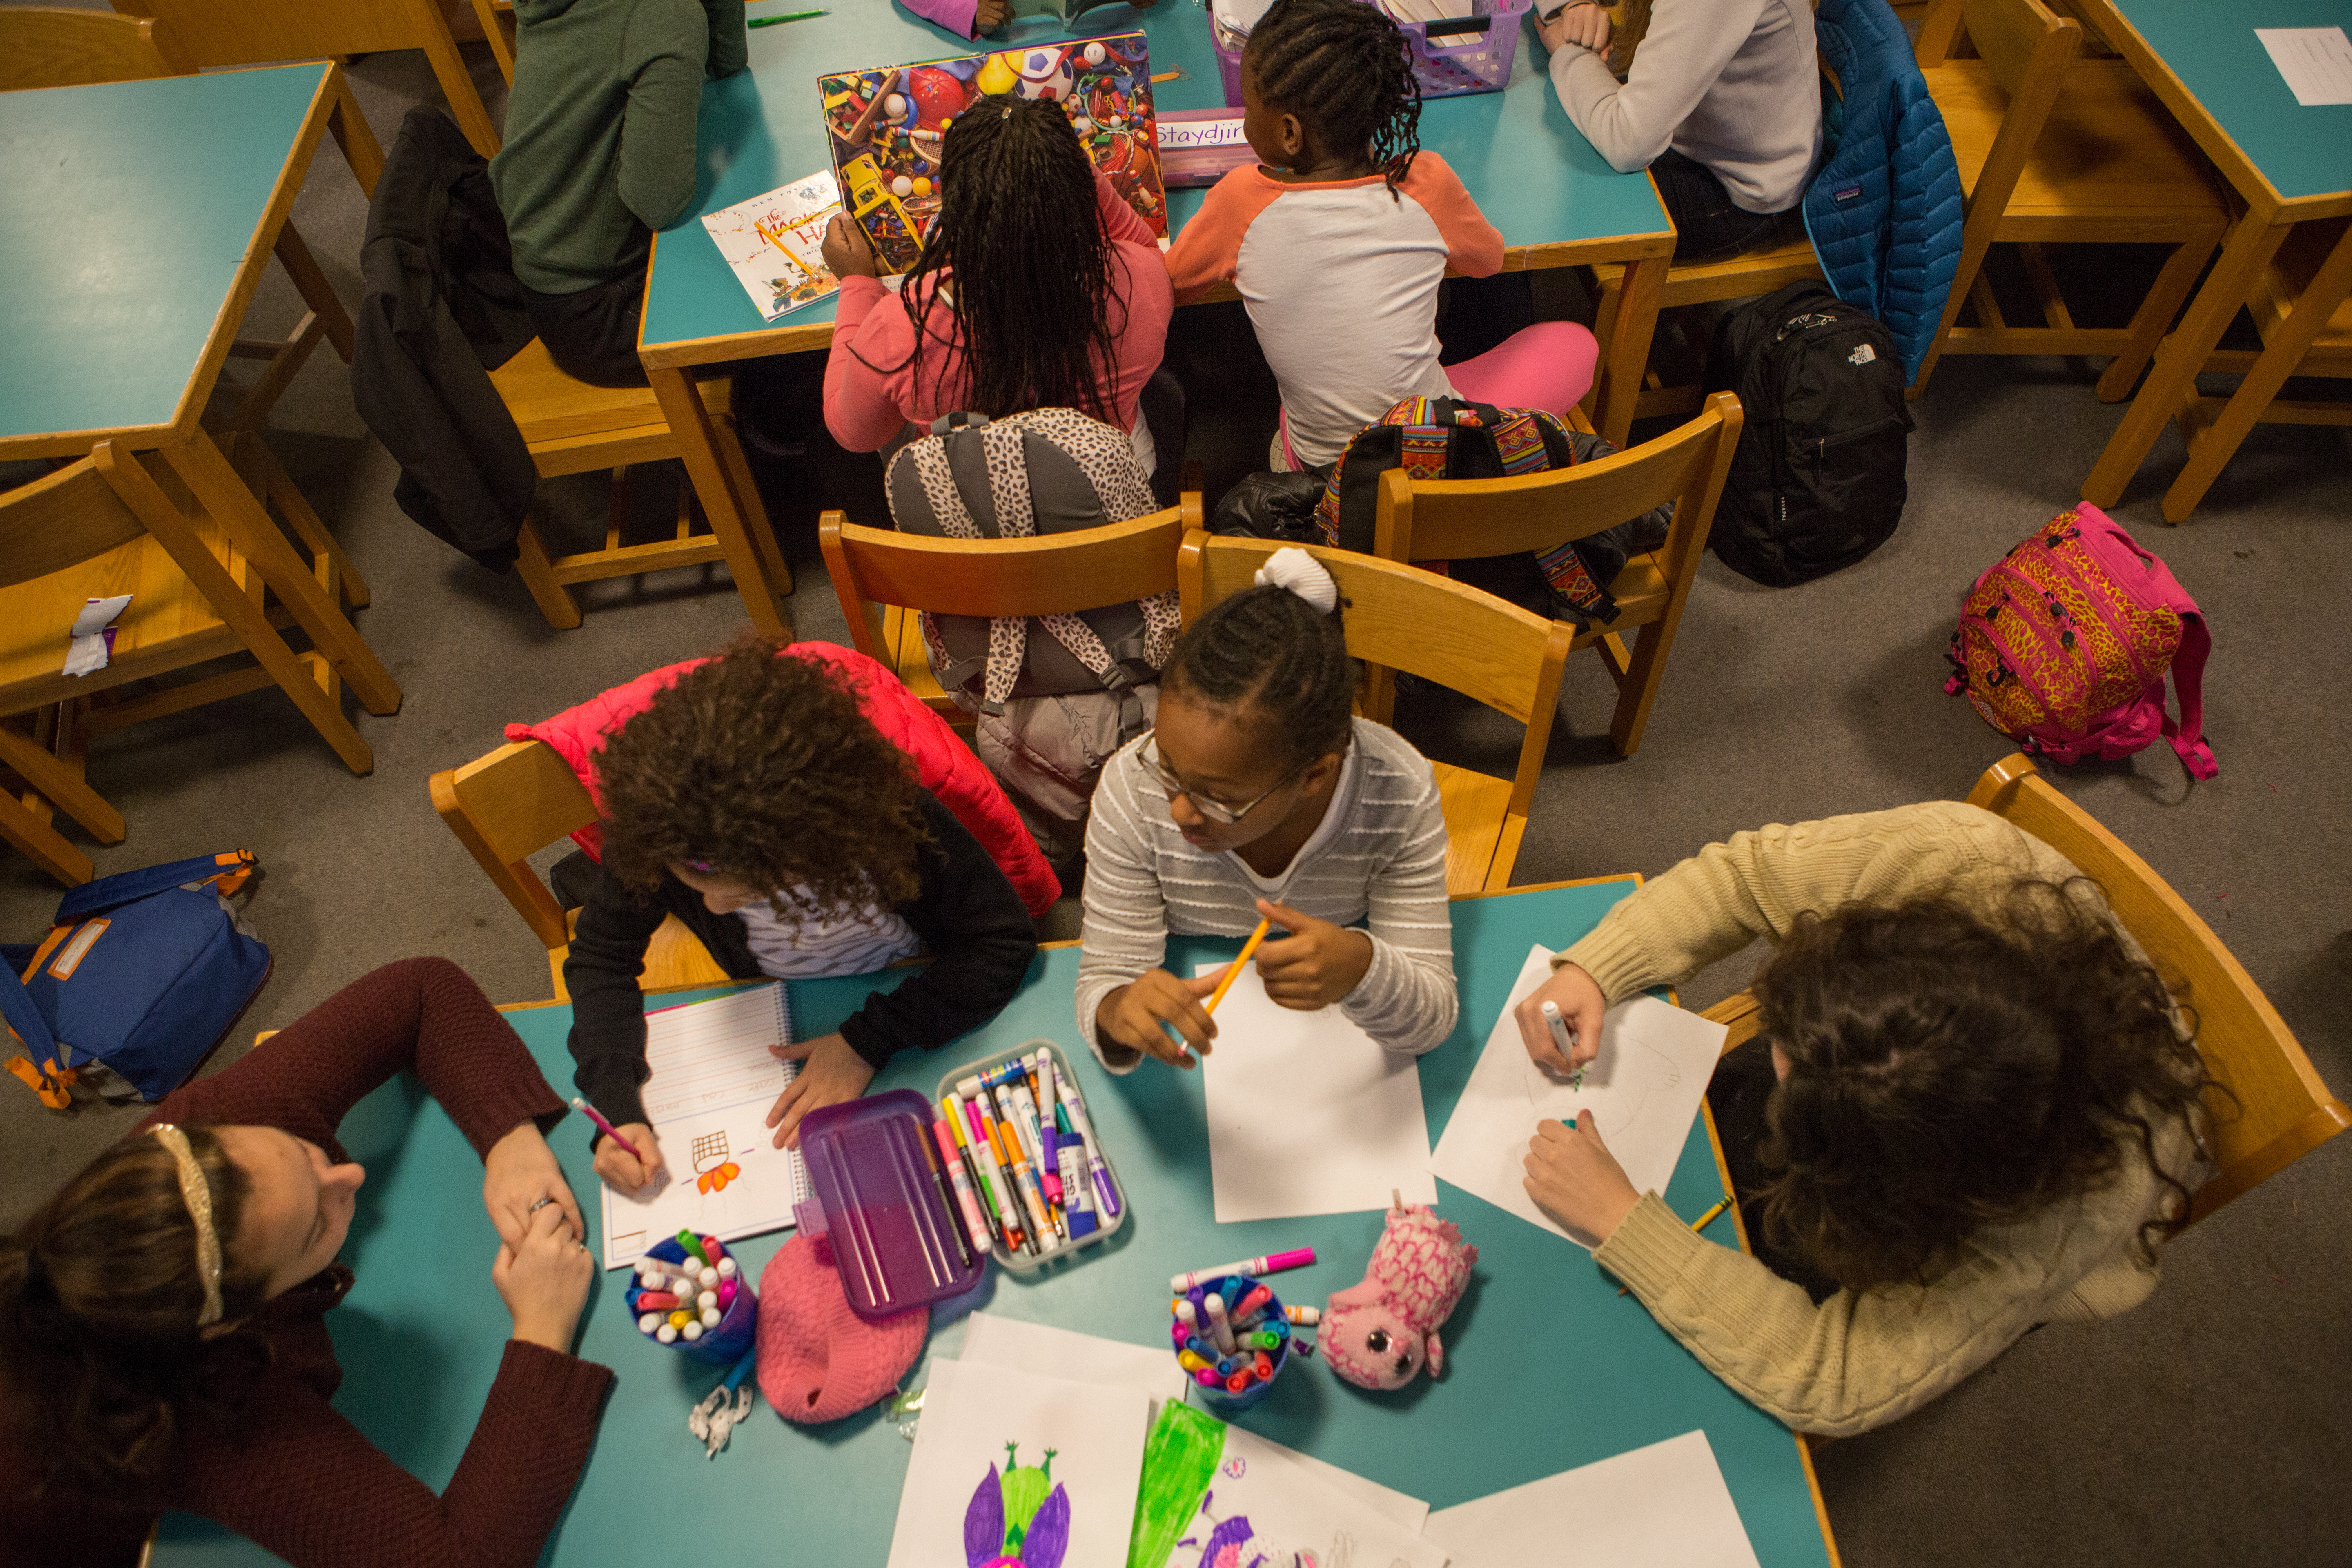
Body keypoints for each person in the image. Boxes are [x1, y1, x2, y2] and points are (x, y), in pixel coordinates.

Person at [1510, 802, 2211, 1435]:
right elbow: (1746, 877)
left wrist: (1627, 1226)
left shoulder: (2055, 1219)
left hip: (1999, 1213)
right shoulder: (1958, 857)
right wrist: (1597, 969)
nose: (1774, 1072)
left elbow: (1837, 1382)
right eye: (1784, 1040)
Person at [0, 959, 605, 1568]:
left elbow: (423, 989)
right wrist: (542, 1332)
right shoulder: (202, 1410)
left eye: (302, 1151)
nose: (351, 1176)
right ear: (229, 1324)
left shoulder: (197, 1151)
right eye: (317, 1223)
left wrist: (509, 1138)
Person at [566, 640, 1039, 1192]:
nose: (713, 909)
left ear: (815, 848)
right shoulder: (668, 834)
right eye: (700, 889)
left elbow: (1002, 943)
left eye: (745, 894)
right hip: (775, 1005)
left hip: (915, 980)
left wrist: (870, 1039)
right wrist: (616, 1105)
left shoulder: (898, 823)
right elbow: (601, 958)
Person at [1163, 0, 1599, 472]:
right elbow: (1489, 261)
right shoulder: (1426, 181)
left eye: (1249, 107)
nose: (1245, 119)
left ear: (1291, 134)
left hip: (1321, 467)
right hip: (1436, 449)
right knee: (1577, 343)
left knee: (1303, 400)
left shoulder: (1239, 201)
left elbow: (1174, 284)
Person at [1078, 547, 1456, 1069]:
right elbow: (1106, 977)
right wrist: (1117, 1014)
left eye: (1220, 798)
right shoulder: (1130, 789)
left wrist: (1363, 968)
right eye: (1165, 765)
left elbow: (1431, 1022)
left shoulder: (1397, 793)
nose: (1180, 812)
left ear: (1315, 775)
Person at [822, 94, 1175, 481]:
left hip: (973, 512)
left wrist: (856, 283)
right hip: (1101, 496)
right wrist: (1062, 170)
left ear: (957, 208)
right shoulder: (1140, 283)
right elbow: (1144, 249)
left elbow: (854, 434)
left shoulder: (903, 328)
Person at [490, 0, 748, 385]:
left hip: (546, 275)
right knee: (802, 328)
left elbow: (728, 64)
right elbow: (658, 203)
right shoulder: (660, 14)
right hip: (599, 310)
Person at [1536, 0, 1821, 262]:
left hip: (1739, 187)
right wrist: (1571, 7)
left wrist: (1568, 51)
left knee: (1547, 198)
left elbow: (1628, 142)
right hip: (1682, 126)